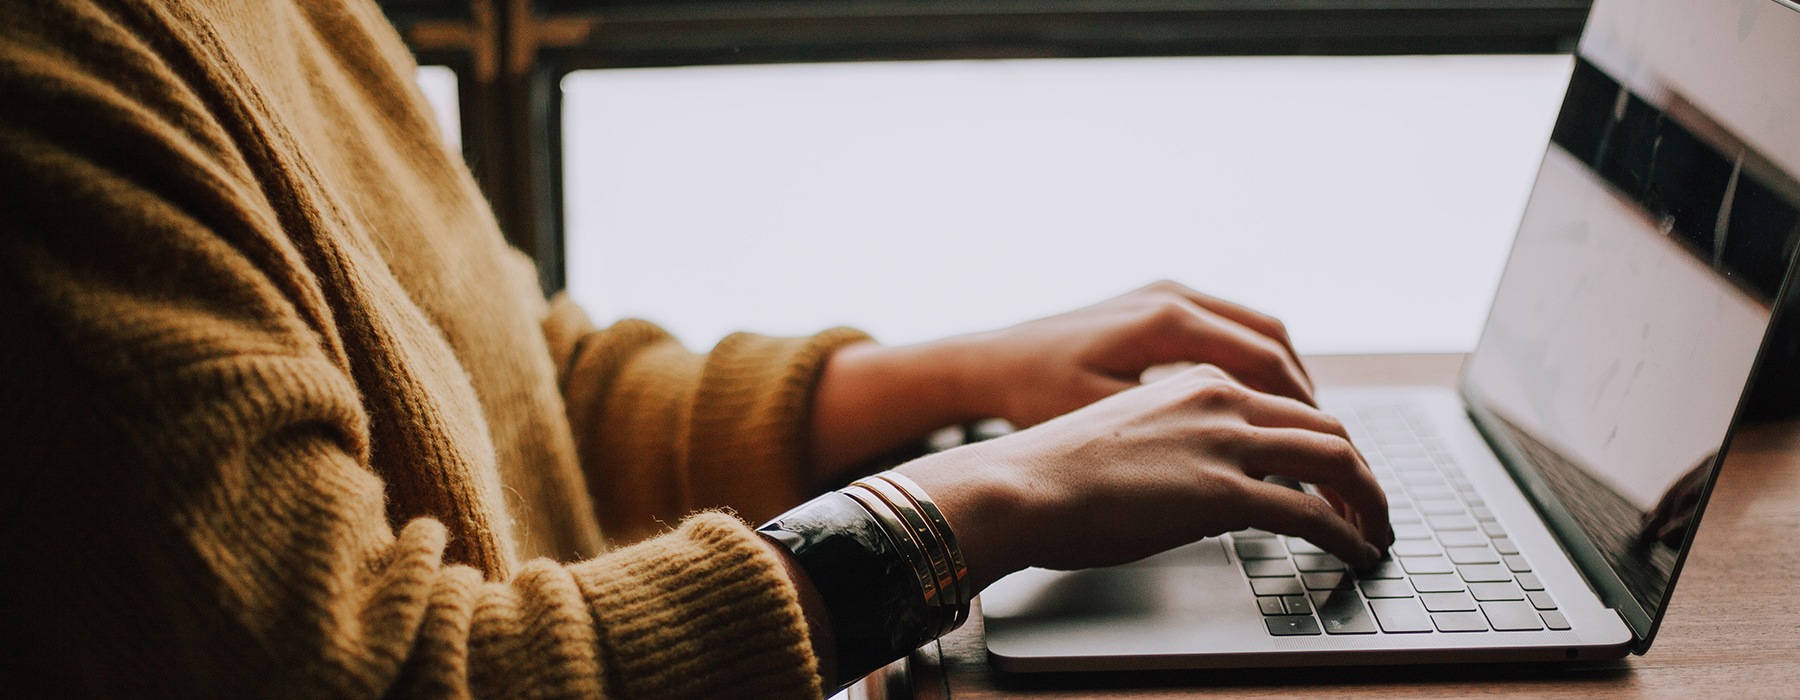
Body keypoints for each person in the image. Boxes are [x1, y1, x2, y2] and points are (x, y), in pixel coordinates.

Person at [0, 1, 1391, 697]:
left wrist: (962, 378)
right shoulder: (47, 91)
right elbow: (398, 670)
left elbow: (521, 391)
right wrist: (983, 499)